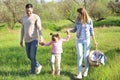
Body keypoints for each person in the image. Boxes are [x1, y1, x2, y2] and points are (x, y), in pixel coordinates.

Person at [70, 8, 98, 79]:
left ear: (83, 13)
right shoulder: (77, 20)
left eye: (79, 13)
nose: (78, 15)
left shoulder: (89, 20)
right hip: (79, 40)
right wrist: (69, 30)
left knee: (86, 56)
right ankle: (79, 73)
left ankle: (86, 70)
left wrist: (94, 41)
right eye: (78, 13)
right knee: (79, 56)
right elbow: (74, 29)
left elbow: (92, 31)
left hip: (87, 41)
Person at [20, 3, 44, 75]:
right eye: (27, 11)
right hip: (26, 40)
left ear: (32, 9)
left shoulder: (36, 17)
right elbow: (22, 29)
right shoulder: (23, 18)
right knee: (29, 56)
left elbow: (39, 28)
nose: (28, 12)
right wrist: (21, 40)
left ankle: (32, 73)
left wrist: (41, 38)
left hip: (34, 39)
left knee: (32, 56)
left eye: (30, 11)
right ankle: (38, 65)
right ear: (25, 10)